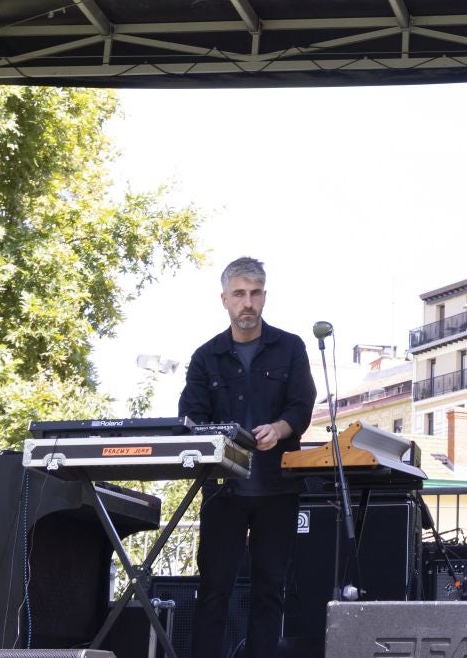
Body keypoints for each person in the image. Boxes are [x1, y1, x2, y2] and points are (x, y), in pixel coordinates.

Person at [179, 256, 317, 658]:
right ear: (224, 299)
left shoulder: (291, 347)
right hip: (223, 491)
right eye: (239, 294)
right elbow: (192, 416)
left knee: (270, 590)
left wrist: (280, 429)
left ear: (265, 297)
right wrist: (220, 440)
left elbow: (301, 406)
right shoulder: (206, 357)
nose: (248, 303)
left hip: (277, 488)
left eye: (255, 294)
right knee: (213, 589)